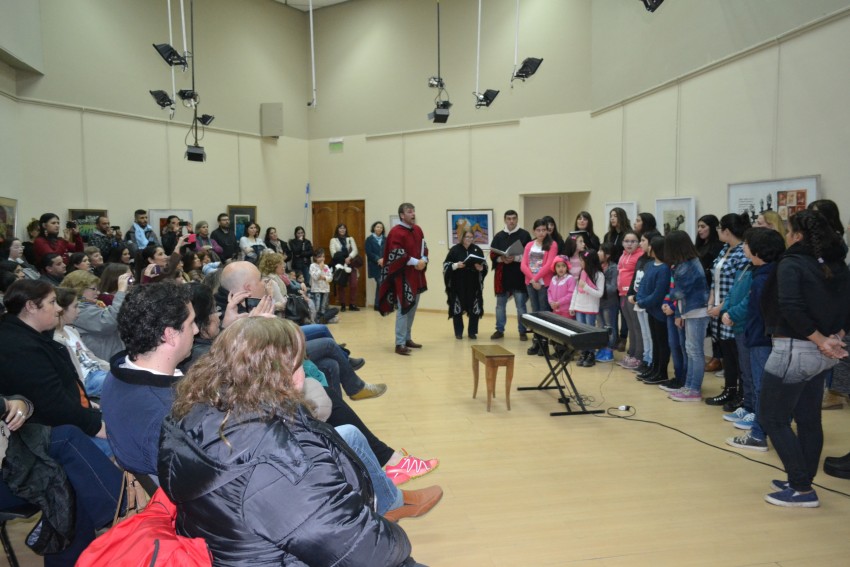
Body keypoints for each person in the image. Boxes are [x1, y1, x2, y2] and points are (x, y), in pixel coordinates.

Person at [158, 317, 438, 565]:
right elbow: (366, 552)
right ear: (281, 376)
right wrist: (393, 535)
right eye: (299, 363)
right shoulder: (284, 460)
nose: (304, 371)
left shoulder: (189, 415)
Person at [759, 210, 849, 507]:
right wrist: (833, 338)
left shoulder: (792, 263)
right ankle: (802, 480)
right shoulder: (837, 263)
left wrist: (822, 339)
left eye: (788, 231)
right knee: (809, 419)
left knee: (771, 417)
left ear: (797, 236)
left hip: (795, 352)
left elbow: (792, 307)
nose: (785, 236)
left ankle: (801, 488)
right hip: (822, 353)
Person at [100, 281, 196, 476]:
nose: (196, 330)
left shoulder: (118, 373)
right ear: (169, 335)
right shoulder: (169, 414)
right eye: (191, 323)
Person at [0, 280, 106, 442]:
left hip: (72, 419)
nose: (58, 308)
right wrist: (96, 426)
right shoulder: (19, 347)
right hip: (52, 433)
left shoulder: (34, 336)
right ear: (31, 307)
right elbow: (53, 404)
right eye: (52, 302)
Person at [725, 227, 786, 451]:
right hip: (760, 337)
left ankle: (759, 435)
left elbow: (758, 313)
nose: (744, 247)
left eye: (747, 244)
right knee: (763, 387)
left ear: (758, 251)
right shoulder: (761, 272)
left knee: (762, 388)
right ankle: (775, 431)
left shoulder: (765, 278)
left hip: (762, 340)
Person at [706, 213, 751, 409]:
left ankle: (741, 394)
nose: (717, 232)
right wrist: (710, 303)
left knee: (736, 354)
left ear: (727, 231)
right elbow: (715, 279)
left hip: (730, 310)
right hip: (716, 307)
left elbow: (738, 287)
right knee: (726, 353)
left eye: (719, 229)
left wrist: (721, 307)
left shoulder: (742, 253)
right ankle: (729, 389)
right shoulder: (725, 249)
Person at [663, 231, 710, 400]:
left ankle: (694, 389)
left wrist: (667, 299)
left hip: (697, 311)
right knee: (690, 350)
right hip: (689, 311)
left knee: (695, 351)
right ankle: (688, 386)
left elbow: (681, 291)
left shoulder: (689, 265)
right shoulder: (683, 264)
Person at [378, 203, 428, 356]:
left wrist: (424, 260)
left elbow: (424, 248)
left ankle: (407, 338)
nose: (413, 214)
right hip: (402, 277)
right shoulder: (396, 233)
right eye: (409, 211)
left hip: (416, 275)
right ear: (401, 215)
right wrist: (416, 262)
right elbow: (396, 254)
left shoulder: (418, 230)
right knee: (403, 308)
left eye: (413, 211)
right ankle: (399, 343)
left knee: (412, 308)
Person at [60, 269, 132, 361]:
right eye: (93, 289)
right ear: (79, 289)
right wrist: (121, 292)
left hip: (113, 356)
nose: (97, 292)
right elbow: (108, 322)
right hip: (105, 362)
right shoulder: (78, 310)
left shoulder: (91, 305)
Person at [53, 287, 110, 397]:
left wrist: (113, 368)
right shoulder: (56, 340)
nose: (78, 310)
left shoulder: (71, 330)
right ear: (61, 310)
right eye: (75, 307)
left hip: (98, 372)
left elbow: (91, 357)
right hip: (88, 381)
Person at [489, 210, 532, 341]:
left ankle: (522, 330)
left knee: (521, 306)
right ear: (505, 220)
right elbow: (492, 255)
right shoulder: (498, 236)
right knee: (500, 306)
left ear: (517, 219)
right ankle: (499, 330)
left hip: (519, 276)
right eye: (508, 218)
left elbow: (529, 255)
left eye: (513, 218)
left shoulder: (524, 235)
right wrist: (502, 259)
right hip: (502, 277)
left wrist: (516, 258)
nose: (511, 221)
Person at [521, 219, 558, 355]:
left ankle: (544, 344)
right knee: (535, 314)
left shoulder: (552, 244)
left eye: (544, 230)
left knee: (544, 313)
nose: (541, 233)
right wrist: (532, 279)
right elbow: (523, 265)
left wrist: (536, 279)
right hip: (531, 283)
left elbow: (549, 265)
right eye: (538, 230)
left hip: (543, 284)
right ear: (534, 231)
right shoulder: (529, 245)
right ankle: (536, 342)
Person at [443, 229, 487, 339]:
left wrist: (481, 268)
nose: (469, 239)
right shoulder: (455, 250)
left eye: (472, 237)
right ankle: (458, 332)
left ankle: (472, 332)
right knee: (457, 308)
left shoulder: (477, 250)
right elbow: (446, 265)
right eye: (467, 237)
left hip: (473, 284)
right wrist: (456, 265)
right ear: (462, 237)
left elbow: (484, 265)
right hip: (458, 284)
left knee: (475, 308)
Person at [694, 214, 724, 372]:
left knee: (716, 327)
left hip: (712, 289)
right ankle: (716, 357)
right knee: (711, 327)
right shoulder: (698, 246)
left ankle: (718, 357)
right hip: (700, 289)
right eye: (698, 226)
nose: (700, 230)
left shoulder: (718, 246)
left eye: (703, 226)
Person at [570, 250, 606, 367]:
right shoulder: (582, 272)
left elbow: (599, 293)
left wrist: (585, 287)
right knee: (581, 332)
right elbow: (576, 290)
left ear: (589, 261)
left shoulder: (599, 275)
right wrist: (572, 306)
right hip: (579, 307)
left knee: (589, 332)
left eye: (582, 260)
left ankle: (591, 354)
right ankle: (584, 352)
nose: (580, 262)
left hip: (590, 308)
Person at [330, 223, 361, 311]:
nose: (342, 230)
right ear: (337, 230)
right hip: (340, 265)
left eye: (344, 228)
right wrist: (344, 259)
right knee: (341, 285)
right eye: (340, 228)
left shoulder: (350, 239)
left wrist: (349, 257)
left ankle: (352, 304)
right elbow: (333, 254)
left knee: (354, 285)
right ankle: (343, 304)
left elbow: (355, 250)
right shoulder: (333, 240)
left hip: (351, 264)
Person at [596, 243, 619, 362]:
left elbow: (613, 287)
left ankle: (610, 349)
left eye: (601, 251)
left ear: (608, 255)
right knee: (600, 326)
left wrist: (599, 287)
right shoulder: (596, 267)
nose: (598, 253)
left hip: (609, 303)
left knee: (610, 327)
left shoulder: (613, 268)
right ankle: (602, 347)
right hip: (598, 303)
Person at [547, 255, 576, 320]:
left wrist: (559, 302)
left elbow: (571, 295)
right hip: (555, 310)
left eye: (563, 266)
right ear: (554, 268)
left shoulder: (570, 279)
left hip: (566, 311)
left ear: (567, 267)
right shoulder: (553, 279)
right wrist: (551, 302)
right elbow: (549, 292)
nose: (561, 268)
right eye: (558, 266)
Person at [365, 221, 386, 307]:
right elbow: (369, 252)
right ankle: (379, 304)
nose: (379, 229)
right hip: (374, 265)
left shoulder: (386, 239)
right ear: (374, 228)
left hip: (384, 265)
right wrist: (378, 259)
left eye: (381, 227)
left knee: (381, 284)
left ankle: (378, 304)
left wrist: (384, 259)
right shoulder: (369, 239)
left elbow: (388, 250)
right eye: (377, 227)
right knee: (380, 282)